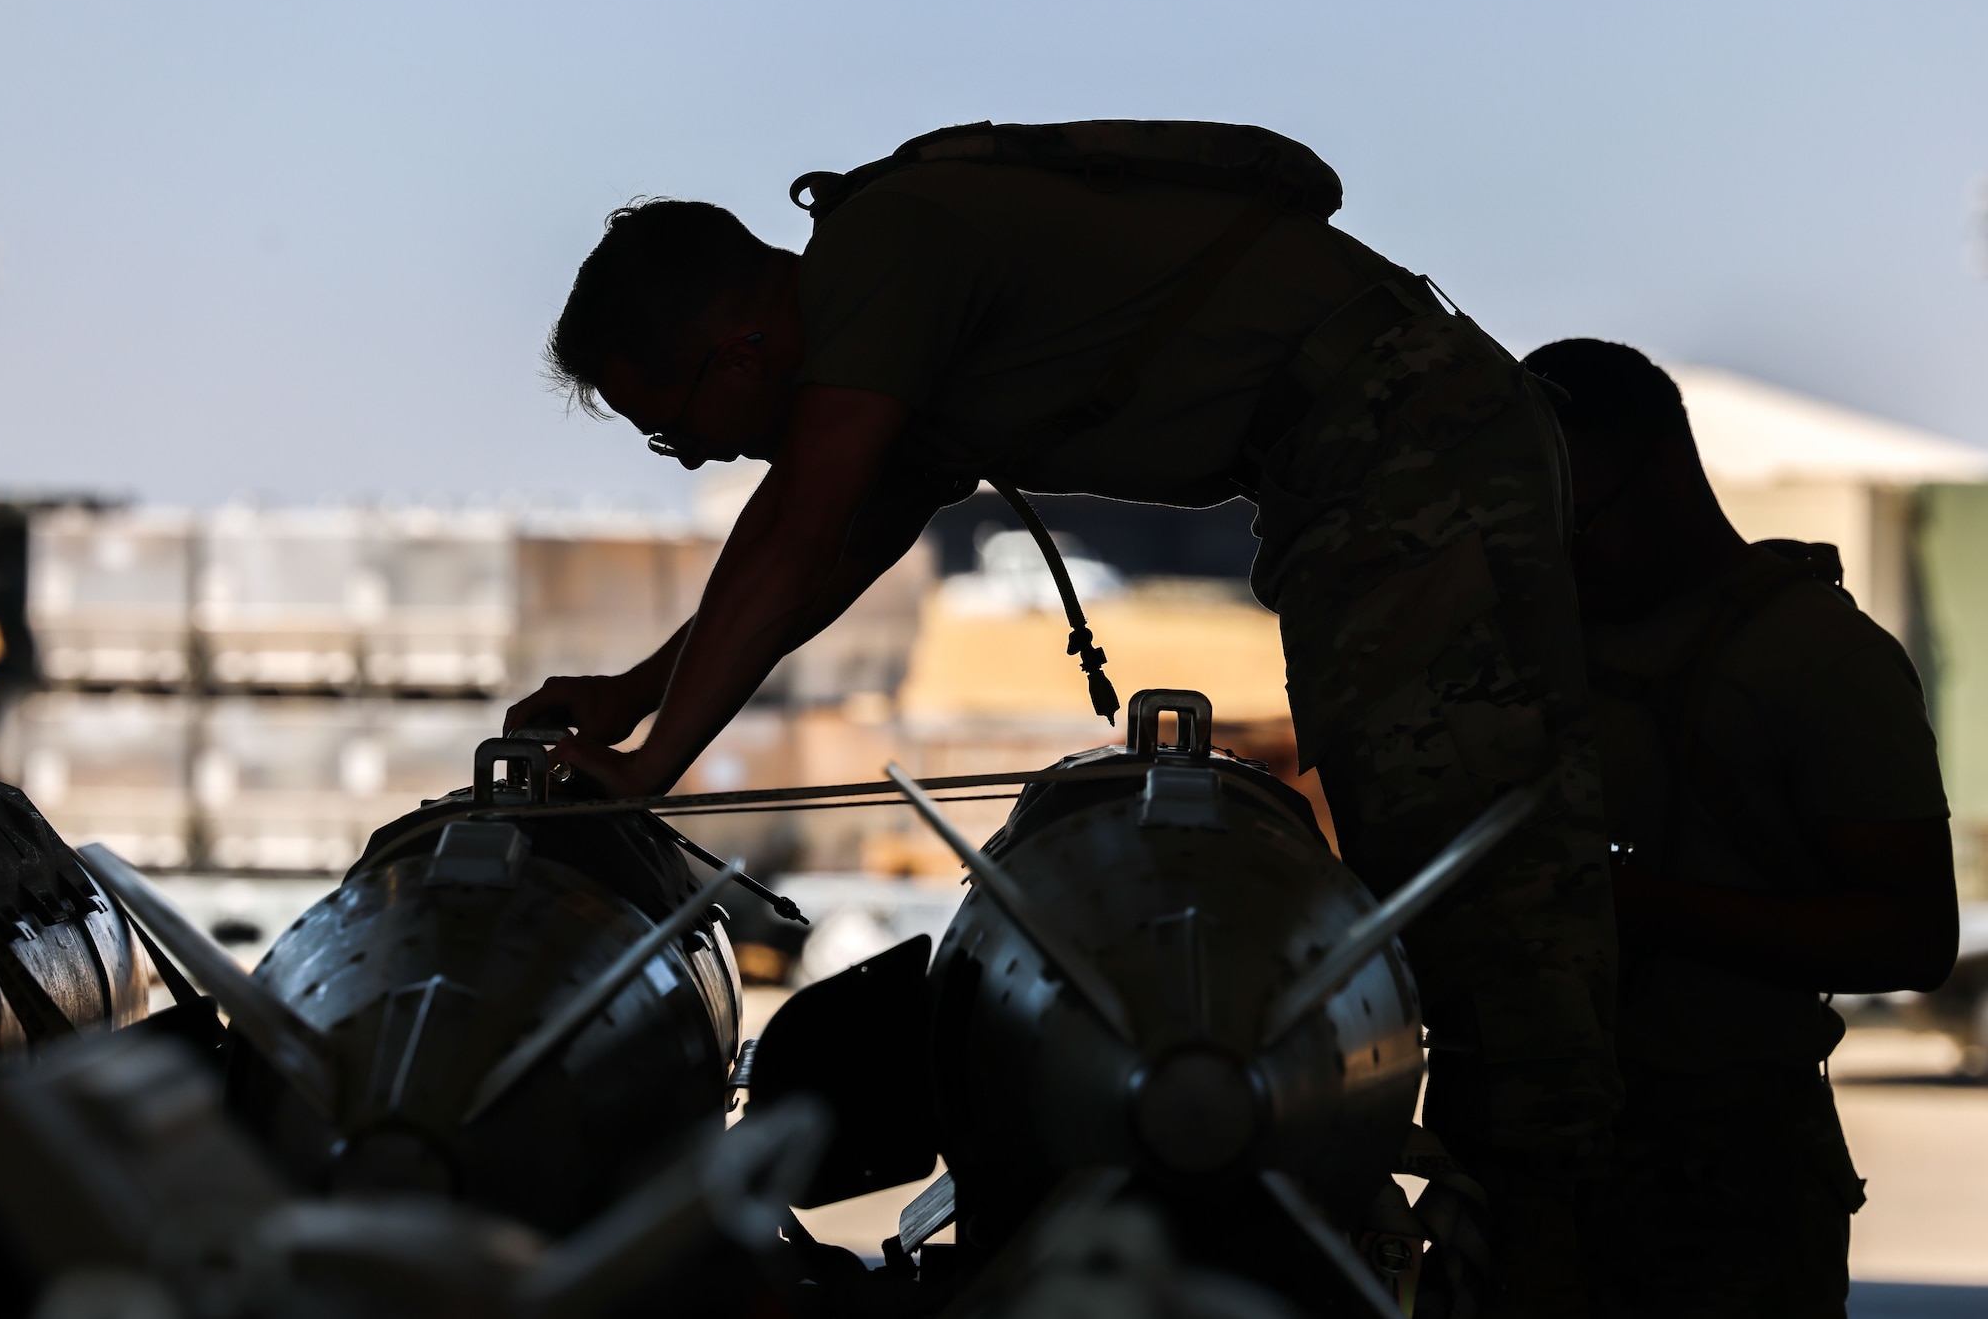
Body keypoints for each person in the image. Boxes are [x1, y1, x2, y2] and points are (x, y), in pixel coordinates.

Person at [507, 122, 1619, 1314]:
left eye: (671, 427)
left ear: (737, 350)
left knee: (1458, 848)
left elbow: (795, 520)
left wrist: (649, 765)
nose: (688, 461)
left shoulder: (885, 260)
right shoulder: (882, 320)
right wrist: (638, 698)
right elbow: (826, 550)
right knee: (1427, 832)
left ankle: (1544, 1241)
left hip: (1407, 445)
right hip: (1360, 457)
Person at [1520, 339, 1959, 1318]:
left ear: (1663, 473)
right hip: (1527, 1160)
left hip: (1723, 1174)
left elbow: (1913, 935)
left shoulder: (1817, 656)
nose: (1558, 546)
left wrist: (1637, 908)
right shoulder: (1543, 637)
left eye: (1576, 517)